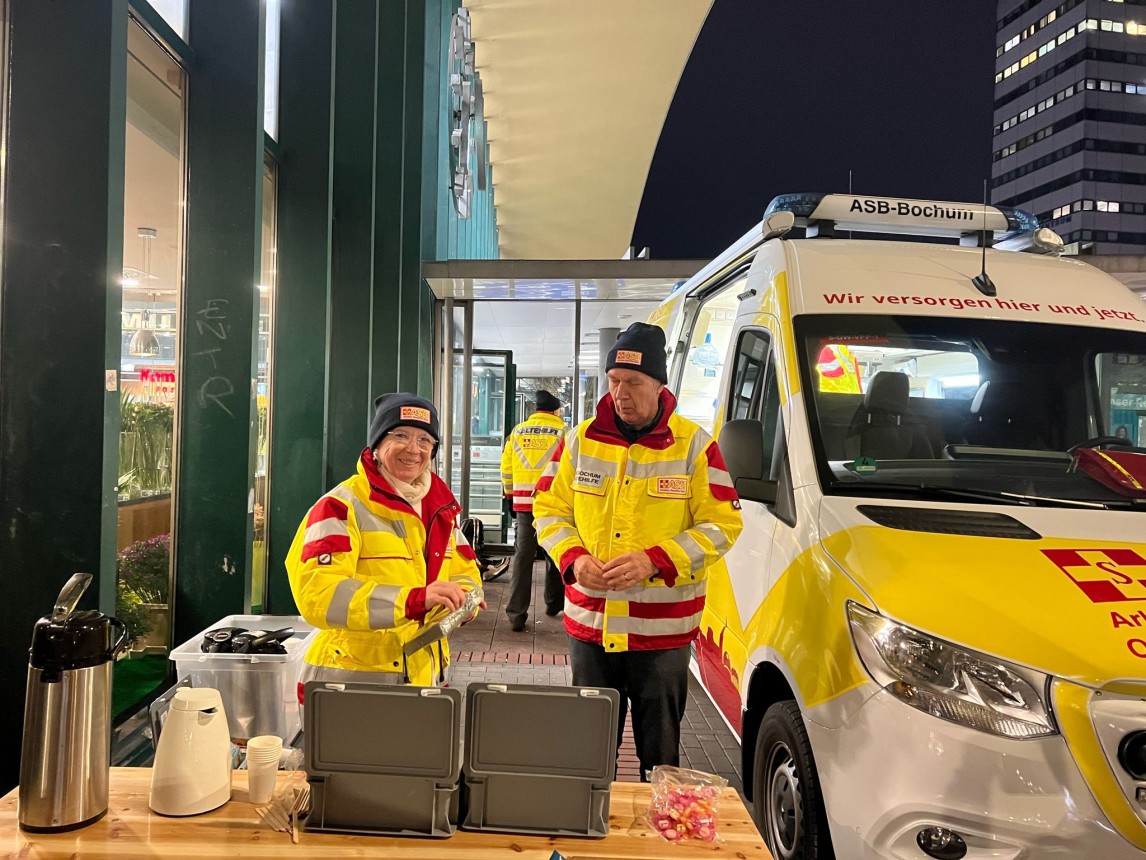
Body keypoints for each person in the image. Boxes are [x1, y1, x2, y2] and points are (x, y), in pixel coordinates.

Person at [533, 322, 743, 778]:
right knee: (589, 749)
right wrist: (573, 559)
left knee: (660, 755)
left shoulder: (695, 447)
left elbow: (724, 523)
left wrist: (655, 559)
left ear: (659, 384)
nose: (621, 393)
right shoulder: (577, 441)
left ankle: (657, 833)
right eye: (613, 382)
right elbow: (548, 510)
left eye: (634, 383)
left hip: (662, 633)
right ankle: (589, 835)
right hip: (591, 624)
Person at [286, 393, 483, 690]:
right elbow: (318, 596)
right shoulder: (340, 507)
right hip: (350, 680)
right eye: (400, 435)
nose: (413, 449)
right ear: (377, 445)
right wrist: (412, 600)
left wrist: (464, 601)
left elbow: (466, 573)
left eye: (425, 440)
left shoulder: (440, 509)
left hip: (424, 673)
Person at [500, 390, 566, 632]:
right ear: (556, 411)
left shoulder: (517, 432)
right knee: (555, 552)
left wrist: (509, 495)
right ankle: (554, 602)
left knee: (523, 556)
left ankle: (516, 614)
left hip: (524, 504)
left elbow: (506, 467)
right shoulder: (564, 433)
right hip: (553, 504)